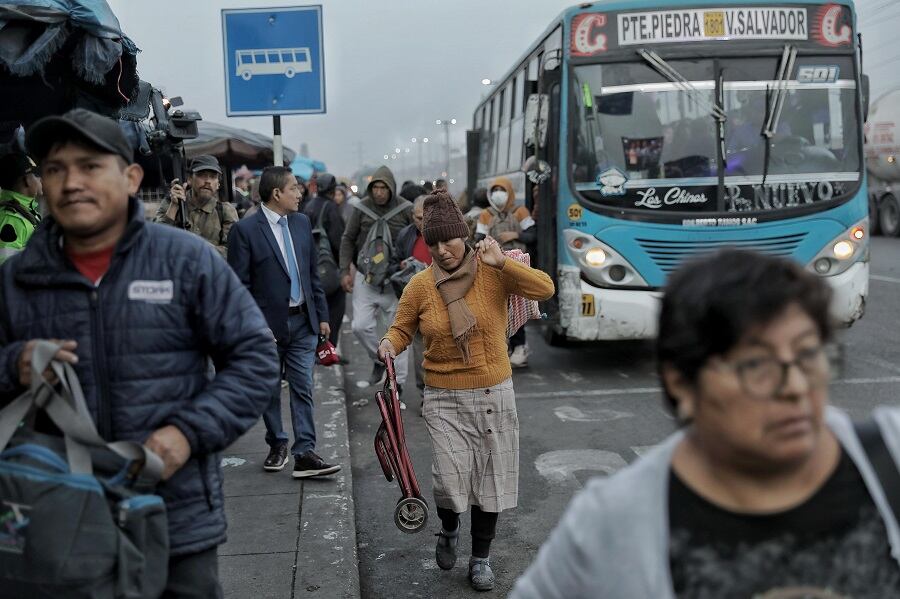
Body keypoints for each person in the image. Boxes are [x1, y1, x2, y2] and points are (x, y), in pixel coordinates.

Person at [512, 249, 900, 598]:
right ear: (682, 381)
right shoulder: (612, 525)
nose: (796, 387)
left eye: (808, 355)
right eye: (756, 366)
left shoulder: (891, 461)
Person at [0, 108, 277, 598]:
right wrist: (13, 364)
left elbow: (254, 359)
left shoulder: (184, 260)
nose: (70, 182)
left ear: (130, 178)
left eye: (90, 166)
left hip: (176, 515)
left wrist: (189, 433)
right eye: (55, 169)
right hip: (55, 519)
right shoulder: (16, 279)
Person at [378, 191, 554, 591]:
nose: (442, 251)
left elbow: (544, 289)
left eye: (449, 241)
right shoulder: (421, 286)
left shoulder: (493, 270)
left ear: (465, 235)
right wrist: (390, 343)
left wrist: (504, 261)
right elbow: (402, 328)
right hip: (442, 396)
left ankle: (480, 558)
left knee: (491, 481)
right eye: (433, 243)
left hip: (494, 391)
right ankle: (449, 528)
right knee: (449, 480)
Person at [227, 166, 340, 479]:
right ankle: (277, 442)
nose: (300, 193)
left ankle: (304, 451)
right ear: (277, 193)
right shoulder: (245, 231)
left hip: (303, 322)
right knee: (269, 388)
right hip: (266, 328)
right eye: (294, 188)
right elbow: (239, 286)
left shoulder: (302, 223)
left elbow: (310, 274)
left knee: (303, 385)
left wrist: (322, 316)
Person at [339, 165, 414, 389]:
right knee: (360, 326)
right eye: (375, 187)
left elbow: (415, 239)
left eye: (384, 187)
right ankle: (379, 359)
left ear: (392, 188)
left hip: (395, 281)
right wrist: (344, 270)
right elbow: (348, 239)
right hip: (366, 277)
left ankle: (397, 384)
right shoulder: (361, 208)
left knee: (398, 333)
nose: (379, 192)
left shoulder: (405, 209)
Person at [475, 177, 536, 368]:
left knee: (517, 306)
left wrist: (515, 235)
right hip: (493, 269)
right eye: (495, 190)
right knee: (498, 307)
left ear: (509, 192)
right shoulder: (485, 214)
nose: (498, 194)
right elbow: (477, 237)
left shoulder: (520, 212)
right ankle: (503, 346)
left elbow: (533, 235)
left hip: (517, 268)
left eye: (502, 190)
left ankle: (520, 346)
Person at [388, 194, 431, 413]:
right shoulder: (405, 235)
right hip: (416, 299)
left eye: (425, 217)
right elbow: (393, 265)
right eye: (417, 218)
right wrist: (403, 265)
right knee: (420, 349)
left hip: (444, 297)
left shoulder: (444, 234)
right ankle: (426, 396)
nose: (421, 222)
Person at [154, 154, 238, 258]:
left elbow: (233, 251)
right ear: (189, 179)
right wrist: (174, 206)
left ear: (218, 184)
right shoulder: (172, 202)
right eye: (202, 175)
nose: (207, 181)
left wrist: (198, 246)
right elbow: (156, 241)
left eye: (213, 177)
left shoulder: (226, 210)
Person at [301, 172, 345, 348]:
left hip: (310, 265)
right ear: (332, 190)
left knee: (316, 309)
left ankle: (316, 347)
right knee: (335, 309)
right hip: (328, 267)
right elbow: (338, 240)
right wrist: (344, 267)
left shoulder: (308, 206)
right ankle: (328, 349)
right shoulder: (331, 207)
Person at [0, 151, 42, 264]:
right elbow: (5, 268)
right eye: (37, 174)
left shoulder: (23, 210)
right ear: (27, 180)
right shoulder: (11, 219)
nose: (41, 179)